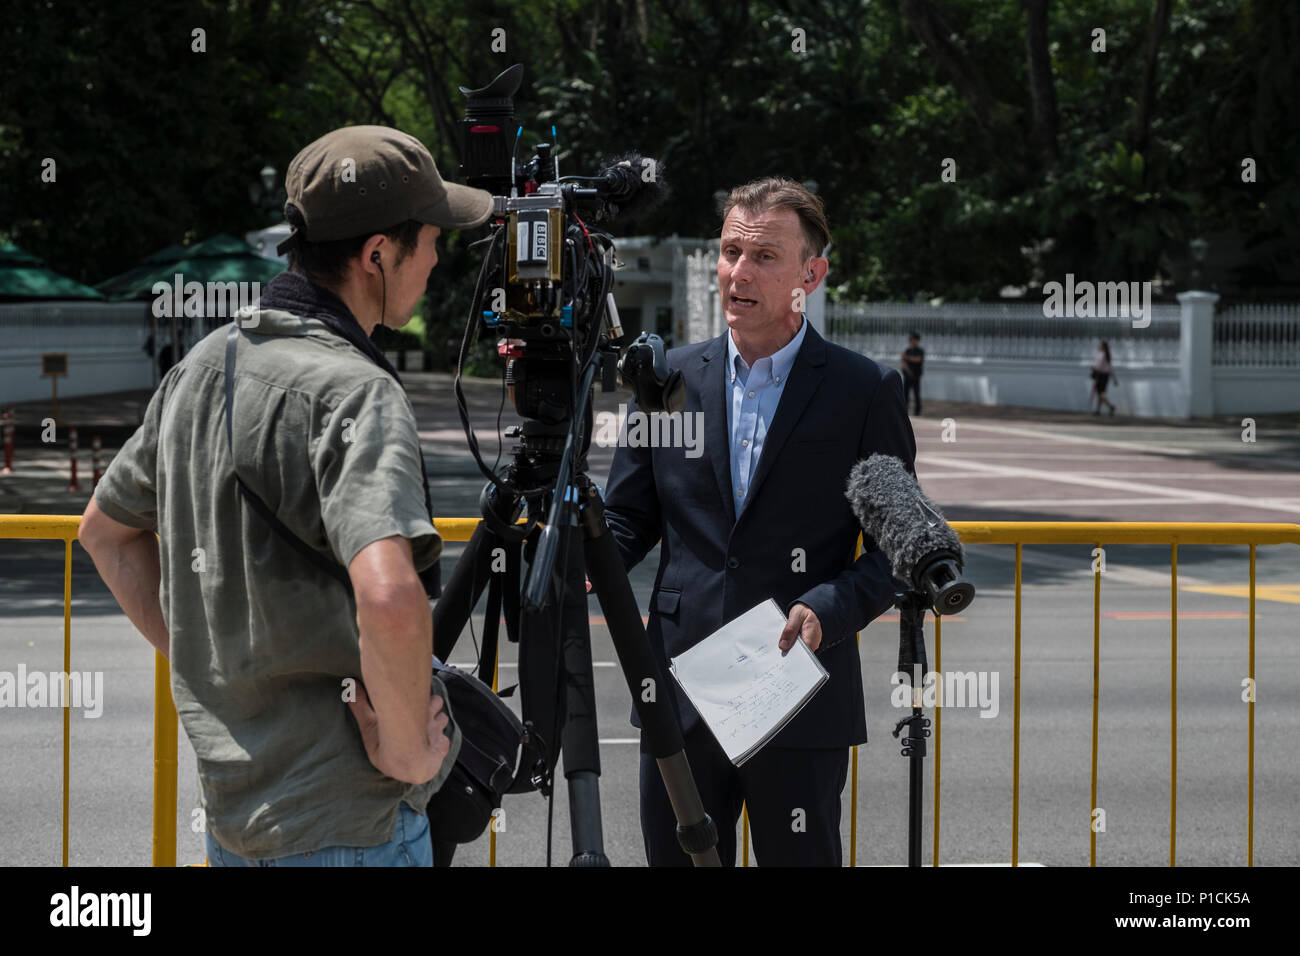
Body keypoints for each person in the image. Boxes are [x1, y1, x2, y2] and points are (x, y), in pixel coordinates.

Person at [78, 126, 494, 866]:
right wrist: (406, 753)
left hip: (236, 819)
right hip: (350, 826)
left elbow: (104, 534)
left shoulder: (203, 367)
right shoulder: (357, 390)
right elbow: (393, 598)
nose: (435, 259)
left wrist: (217, 668)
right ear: (377, 255)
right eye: (430, 239)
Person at [602, 177, 918, 866]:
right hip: (681, 698)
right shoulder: (668, 383)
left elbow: (899, 548)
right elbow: (626, 523)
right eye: (729, 252)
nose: (738, 273)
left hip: (798, 694)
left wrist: (829, 607)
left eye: (764, 257)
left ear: (812, 272)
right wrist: (576, 563)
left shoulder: (864, 391)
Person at [1090, 339, 1118, 416]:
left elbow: (1098, 367)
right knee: (1100, 393)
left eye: (1100, 344)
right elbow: (1110, 368)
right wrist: (1114, 379)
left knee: (1100, 394)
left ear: (1102, 346)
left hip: (1101, 375)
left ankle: (1110, 406)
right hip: (1106, 376)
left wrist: (1093, 368)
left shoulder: (1102, 355)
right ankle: (1098, 410)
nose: (1099, 345)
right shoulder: (1106, 355)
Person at [899, 331, 924, 415]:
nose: (912, 341)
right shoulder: (908, 350)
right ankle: (904, 411)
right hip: (907, 376)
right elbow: (903, 362)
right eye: (911, 340)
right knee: (905, 394)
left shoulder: (920, 350)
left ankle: (917, 411)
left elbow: (918, 359)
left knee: (916, 394)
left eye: (914, 340)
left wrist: (907, 358)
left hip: (916, 376)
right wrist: (907, 370)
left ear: (917, 340)